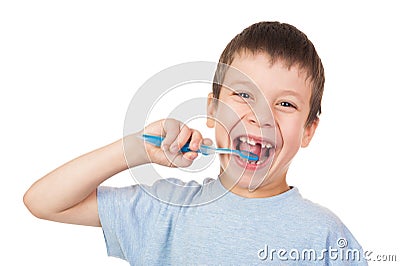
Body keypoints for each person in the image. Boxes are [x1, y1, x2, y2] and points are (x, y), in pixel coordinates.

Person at [23, 21, 367, 265]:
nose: (260, 116)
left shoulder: (326, 237)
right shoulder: (165, 209)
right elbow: (44, 202)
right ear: (212, 108)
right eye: (244, 94)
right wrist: (139, 148)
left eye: (286, 104)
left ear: (308, 130)